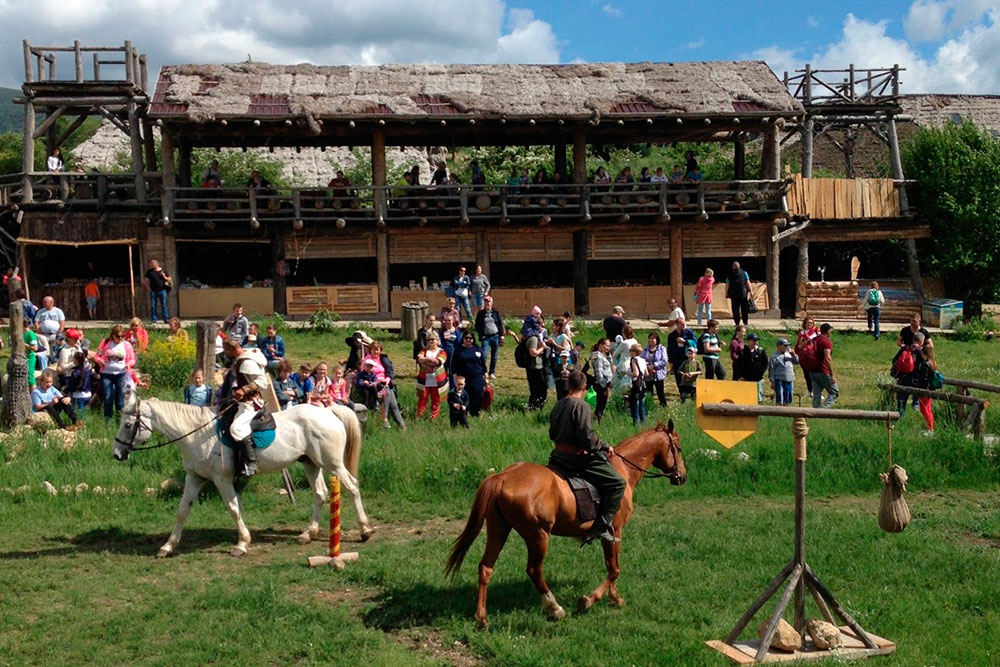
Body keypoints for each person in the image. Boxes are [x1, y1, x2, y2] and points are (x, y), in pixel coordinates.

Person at [548, 370, 626, 544]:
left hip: (558, 456)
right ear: (584, 387)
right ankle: (601, 527)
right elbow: (587, 439)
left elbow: (552, 433)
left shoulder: (559, 404)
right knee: (618, 483)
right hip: (575, 458)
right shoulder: (581, 406)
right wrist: (604, 446)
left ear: (569, 385)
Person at [223, 336, 269, 477]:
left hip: (250, 403)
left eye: (226, 351)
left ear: (231, 350)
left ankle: (251, 463)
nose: (225, 353)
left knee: (236, 429)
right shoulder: (243, 358)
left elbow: (262, 382)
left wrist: (243, 390)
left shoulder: (246, 362)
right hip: (242, 401)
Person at [94, 324, 136, 422]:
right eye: (118, 336)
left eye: (122, 336)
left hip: (121, 374)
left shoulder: (126, 345)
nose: (120, 338)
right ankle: (108, 422)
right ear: (113, 335)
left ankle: (119, 421)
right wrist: (99, 360)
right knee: (108, 398)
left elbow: (132, 359)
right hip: (107, 373)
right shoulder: (106, 343)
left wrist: (129, 364)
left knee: (120, 400)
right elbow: (97, 356)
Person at [366, 342, 405, 430]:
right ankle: (385, 418)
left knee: (393, 403)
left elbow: (389, 371)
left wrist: (387, 380)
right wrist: (378, 381)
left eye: (377, 350)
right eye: (374, 350)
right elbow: (365, 373)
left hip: (385, 382)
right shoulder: (367, 360)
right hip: (375, 384)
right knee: (387, 392)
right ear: (370, 350)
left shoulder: (383, 359)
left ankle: (402, 426)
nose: (376, 352)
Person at [452, 330, 488, 416]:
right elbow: (453, 366)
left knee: (477, 397)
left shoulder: (478, 349)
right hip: (463, 378)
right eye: (466, 338)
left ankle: (476, 415)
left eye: (470, 338)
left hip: (477, 377)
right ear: (463, 338)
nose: (468, 340)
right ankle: (464, 416)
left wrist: (486, 378)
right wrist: (455, 379)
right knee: (465, 397)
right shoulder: (458, 350)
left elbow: (483, 364)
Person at [910, 333, 937, 435]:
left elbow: (923, 378)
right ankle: (930, 427)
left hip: (924, 389)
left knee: (924, 409)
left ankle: (930, 429)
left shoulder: (925, 365)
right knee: (928, 408)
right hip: (929, 389)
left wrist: (917, 384)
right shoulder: (932, 363)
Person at [416, 332, 448, 419]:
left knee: (436, 400)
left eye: (432, 339)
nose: (430, 341)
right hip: (424, 380)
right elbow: (419, 359)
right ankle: (419, 416)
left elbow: (438, 362)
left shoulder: (442, 351)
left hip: (437, 381)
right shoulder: (424, 351)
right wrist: (430, 359)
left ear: (437, 341)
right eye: (429, 340)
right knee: (422, 399)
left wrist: (426, 361)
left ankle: (434, 418)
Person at [810, 324, 838, 409]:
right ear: (828, 331)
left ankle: (815, 412)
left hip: (812, 370)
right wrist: (832, 374)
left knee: (817, 394)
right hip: (823, 370)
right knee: (834, 392)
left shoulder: (814, 340)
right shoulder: (826, 341)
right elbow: (827, 358)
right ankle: (824, 410)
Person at [475, 296, 504, 378]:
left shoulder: (496, 313)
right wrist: (481, 335)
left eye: (488, 302)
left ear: (491, 303)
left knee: (494, 355)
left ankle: (492, 372)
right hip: (486, 337)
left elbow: (500, 324)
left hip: (495, 336)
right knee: (484, 355)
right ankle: (483, 371)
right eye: (485, 302)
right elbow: (477, 326)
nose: (487, 304)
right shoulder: (480, 314)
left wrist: (501, 335)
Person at [666, 318, 697, 393]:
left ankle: (690, 391)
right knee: (678, 375)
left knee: (688, 374)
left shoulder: (688, 332)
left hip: (686, 357)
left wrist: (685, 341)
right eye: (682, 324)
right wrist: (670, 361)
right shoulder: (672, 335)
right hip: (676, 359)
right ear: (677, 325)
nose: (684, 325)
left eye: (684, 323)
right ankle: (682, 392)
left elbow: (695, 342)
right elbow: (669, 349)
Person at [736, 333, 768, 402]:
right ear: (748, 341)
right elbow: (738, 365)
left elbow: (765, 363)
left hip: (758, 378)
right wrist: (740, 376)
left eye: (756, 340)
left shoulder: (761, 351)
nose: (755, 342)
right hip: (746, 379)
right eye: (753, 340)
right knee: (746, 397)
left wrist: (761, 372)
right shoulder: (743, 352)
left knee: (758, 397)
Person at [523, 321, 548, 410]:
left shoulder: (529, 337)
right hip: (535, 367)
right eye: (541, 325)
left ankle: (535, 406)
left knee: (535, 388)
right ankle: (535, 407)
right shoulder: (533, 338)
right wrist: (542, 348)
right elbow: (533, 353)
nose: (543, 327)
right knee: (539, 388)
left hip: (533, 366)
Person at [590, 338, 614, 423]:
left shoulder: (602, 355)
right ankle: (598, 420)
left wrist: (609, 355)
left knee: (602, 403)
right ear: (600, 345)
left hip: (604, 383)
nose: (608, 348)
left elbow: (610, 364)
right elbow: (599, 371)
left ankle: (596, 418)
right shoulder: (598, 356)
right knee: (601, 403)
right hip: (601, 384)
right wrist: (603, 384)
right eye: (606, 346)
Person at [768, 338, 798, 406]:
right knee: (780, 394)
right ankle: (779, 406)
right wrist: (772, 381)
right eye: (785, 345)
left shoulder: (789, 354)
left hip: (789, 378)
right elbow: (771, 369)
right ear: (779, 346)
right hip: (779, 379)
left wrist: (794, 355)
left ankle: (787, 405)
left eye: (787, 345)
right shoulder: (774, 356)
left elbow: (796, 362)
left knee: (789, 393)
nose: (787, 347)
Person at [642, 332, 668, 407]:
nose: (651, 340)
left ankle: (664, 407)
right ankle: (650, 407)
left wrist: (654, 366)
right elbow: (642, 359)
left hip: (658, 374)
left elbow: (664, 360)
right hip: (648, 374)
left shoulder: (662, 349)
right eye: (650, 338)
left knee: (660, 393)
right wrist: (648, 367)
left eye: (653, 338)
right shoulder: (645, 349)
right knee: (649, 393)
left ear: (657, 340)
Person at [795, 317, 820, 396]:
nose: (809, 324)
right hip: (805, 356)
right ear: (804, 324)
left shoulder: (816, 331)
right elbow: (799, 345)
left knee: (815, 374)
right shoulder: (802, 333)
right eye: (808, 323)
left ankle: (817, 391)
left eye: (811, 323)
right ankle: (809, 390)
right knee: (807, 374)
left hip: (814, 355)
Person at [143, 259, 172, 324]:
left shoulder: (163, 271)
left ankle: (165, 319)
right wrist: (148, 288)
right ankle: (154, 319)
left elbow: (170, 280)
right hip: (153, 291)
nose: (151, 265)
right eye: (151, 264)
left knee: (164, 305)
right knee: (153, 305)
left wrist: (164, 277)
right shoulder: (149, 272)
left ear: (156, 263)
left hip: (162, 290)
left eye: (152, 263)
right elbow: (145, 281)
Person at [627, 343, 648, 427]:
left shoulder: (633, 360)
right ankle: (644, 427)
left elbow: (636, 373)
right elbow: (646, 373)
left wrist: (626, 373)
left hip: (636, 386)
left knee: (635, 409)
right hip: (643, 385)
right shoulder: (643, 360)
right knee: (642, 408)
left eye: (631, 350)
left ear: (634, 352)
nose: (629, 352)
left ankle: (637, 428)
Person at [725, 261, 752, 326]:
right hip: (743, 293)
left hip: (734, 294)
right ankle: (745, 323)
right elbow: (748, 282)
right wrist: (751, 290)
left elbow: (727, 285)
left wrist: (726, 293)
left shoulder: (730, 274)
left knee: (735, 309)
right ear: (739, 266)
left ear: (733, 267)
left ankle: (737, 323)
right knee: (744, 309)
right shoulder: (744, 273)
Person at [440, 315, 459, 379]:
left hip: (453, 352)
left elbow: (458, 342)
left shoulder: (456, 331)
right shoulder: (442, 330)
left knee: (452, 369)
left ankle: (452, 386)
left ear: (453, 321)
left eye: (449, 320)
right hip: (444, 352)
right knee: (444, 368)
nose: (448, 322)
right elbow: (441, 342)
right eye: (446, 320)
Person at [24, 318, 39, 389]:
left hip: (29, 359)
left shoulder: (30, 334)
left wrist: (23, 344)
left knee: (30, 379)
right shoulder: (22, 333)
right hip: (23, 358)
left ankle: (34, 396)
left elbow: (35, 348)